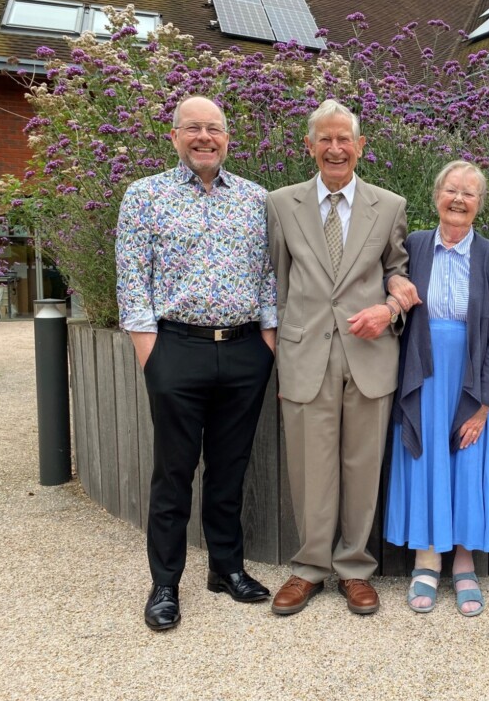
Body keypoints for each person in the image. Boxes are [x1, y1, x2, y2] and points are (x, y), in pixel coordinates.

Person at [116, 95, 276, 631]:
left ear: (228, 138)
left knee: (230, 469)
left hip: (244, 349)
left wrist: (268, 346)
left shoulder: (257, 199)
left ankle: (226, 569)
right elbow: (132, 280)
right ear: (175, 136)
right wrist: (150, 355)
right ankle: (165, 583)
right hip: (175, 348)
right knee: (174, 471)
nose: (204, 137)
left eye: (214, 129)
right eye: (193, 129)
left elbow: (271, 276)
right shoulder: (144, 196)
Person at [267, 99, 418, 616]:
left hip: (370, 355)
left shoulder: (390, 205)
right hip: (305, 355)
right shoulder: (281, 204)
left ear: (360, 147)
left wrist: (391, 306)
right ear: (308, 147)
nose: (335, 148)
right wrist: (282, 348)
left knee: (362, 466)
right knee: (310, 467)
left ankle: (354, 568)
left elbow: (399, 271)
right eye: (324, 140)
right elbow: (278, 284)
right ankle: (309, 567)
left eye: (344, 139)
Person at [384, 161, 489, 616]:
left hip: (470, 375)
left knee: (465, 457)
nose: (459, 200)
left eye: (469, 193)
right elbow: (389, 281)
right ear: (436, 195)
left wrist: (482, 404)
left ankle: (463, 561)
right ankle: (426, 558)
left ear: (480, 204)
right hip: (421, 370)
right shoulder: (416, 245)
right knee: (425, 458)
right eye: (451, 190)